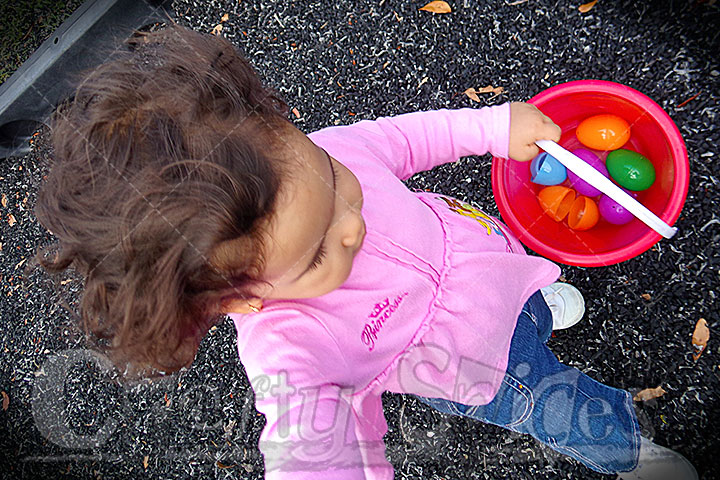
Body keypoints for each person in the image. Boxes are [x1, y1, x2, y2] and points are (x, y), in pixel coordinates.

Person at [33, 25, 697, 480]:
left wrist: (490, 125)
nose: (353, 226)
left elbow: (404, 140)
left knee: (526, 296)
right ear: (243, 296)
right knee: (560, 406)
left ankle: (531, 297)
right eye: (320, 250)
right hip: (482, 370)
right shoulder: (292, 351)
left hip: (483, 255)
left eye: (334, 185)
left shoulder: (321, 155)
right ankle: (627, 450)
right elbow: (311, 446)